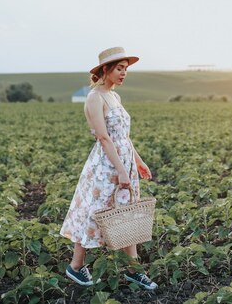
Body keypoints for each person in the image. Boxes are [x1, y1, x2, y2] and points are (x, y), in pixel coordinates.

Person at [59, 46, 158, 290]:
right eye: (120, 69)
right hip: (106, 166)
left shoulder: (115, 96)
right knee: (95, 212)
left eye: (126, 69)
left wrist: (137, 160)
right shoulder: (94, 97)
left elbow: (123, 136)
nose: (124, 73)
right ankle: (75, 266)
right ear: (106, 69)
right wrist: (121, 171)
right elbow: (103, 137)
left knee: (126, 212)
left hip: (123, 161)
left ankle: (133, 270)